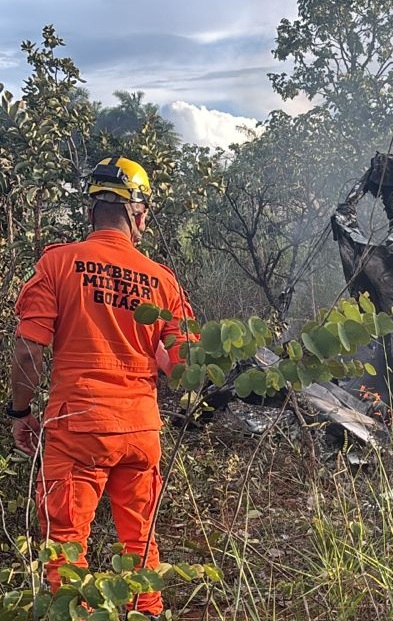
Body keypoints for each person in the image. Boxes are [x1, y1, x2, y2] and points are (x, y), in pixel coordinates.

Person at [7, 156, 194, 617]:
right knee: (140, 541)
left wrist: (19, 412)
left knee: (66, 547)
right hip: (140, 432)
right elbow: (182, 368)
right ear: (139, 214)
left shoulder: (58, 262)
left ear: (91, 212)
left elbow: (30, 351)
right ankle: (148, 612)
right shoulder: (163, 281)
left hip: (77, 428)